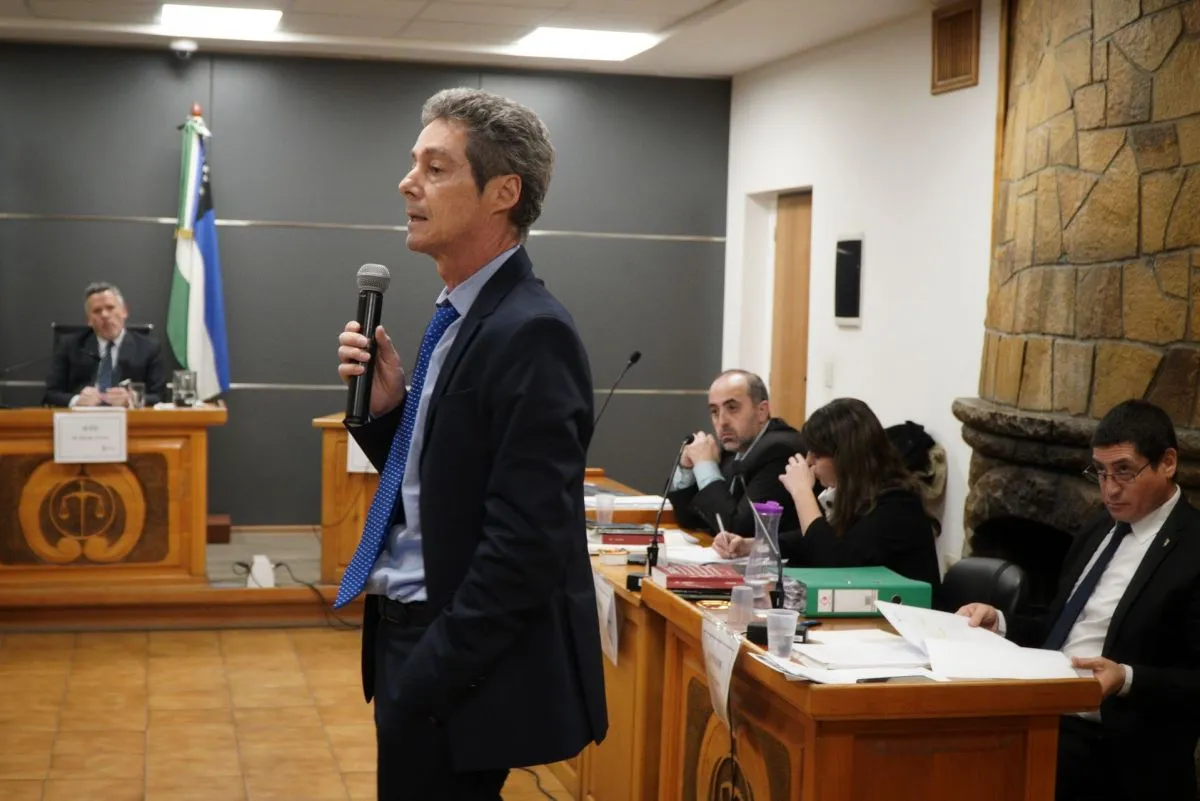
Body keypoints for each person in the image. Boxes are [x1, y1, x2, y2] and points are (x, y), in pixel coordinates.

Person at [332, 88, 607, 800]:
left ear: (503, 193)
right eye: (413, 164)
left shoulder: (531, 331)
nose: (407, 183)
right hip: (410, 637)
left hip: (453, 660)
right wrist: (388, 414)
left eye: (436, 167)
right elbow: (440, 484)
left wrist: (434, 670)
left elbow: (527, 541)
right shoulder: (458, 317)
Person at [958, 399, 1200, 801]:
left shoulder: (1192, 548)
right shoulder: (1099, 527)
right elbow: (1059, 626)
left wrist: (1126, 678)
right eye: (1100, 472)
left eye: (1124, 471)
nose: (1110, 489)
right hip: (1047, 712)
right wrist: (1000, 622)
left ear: (1168, 463)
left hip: (1117, 744)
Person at [713, 397, 940, 588]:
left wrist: (802, 493)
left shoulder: (897, 505)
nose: (809, 461)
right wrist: (752, 545)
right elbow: (816, 538)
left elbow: (833, 567)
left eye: (817, 454)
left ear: (845, 457)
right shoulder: (856, 496)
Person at [666, 370, 806, 536]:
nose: (722, 422)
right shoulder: (734, 451)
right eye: (714, 411)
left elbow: (736, 530)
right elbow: (689, 519)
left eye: (732, 408)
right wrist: (686, 469)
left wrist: (705, 466)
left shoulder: (780, 452)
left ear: (761, 411)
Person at [43, 282, 166, 407]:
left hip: (128, 417)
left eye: (110, 308)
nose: (104, 315)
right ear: (89, 320)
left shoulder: (148, 348)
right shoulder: (70, 346)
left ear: (124, 311)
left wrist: (132, 399)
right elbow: (50, 394)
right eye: (97, 311)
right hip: (83, 417)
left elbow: (160, 396)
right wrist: (77, 400)